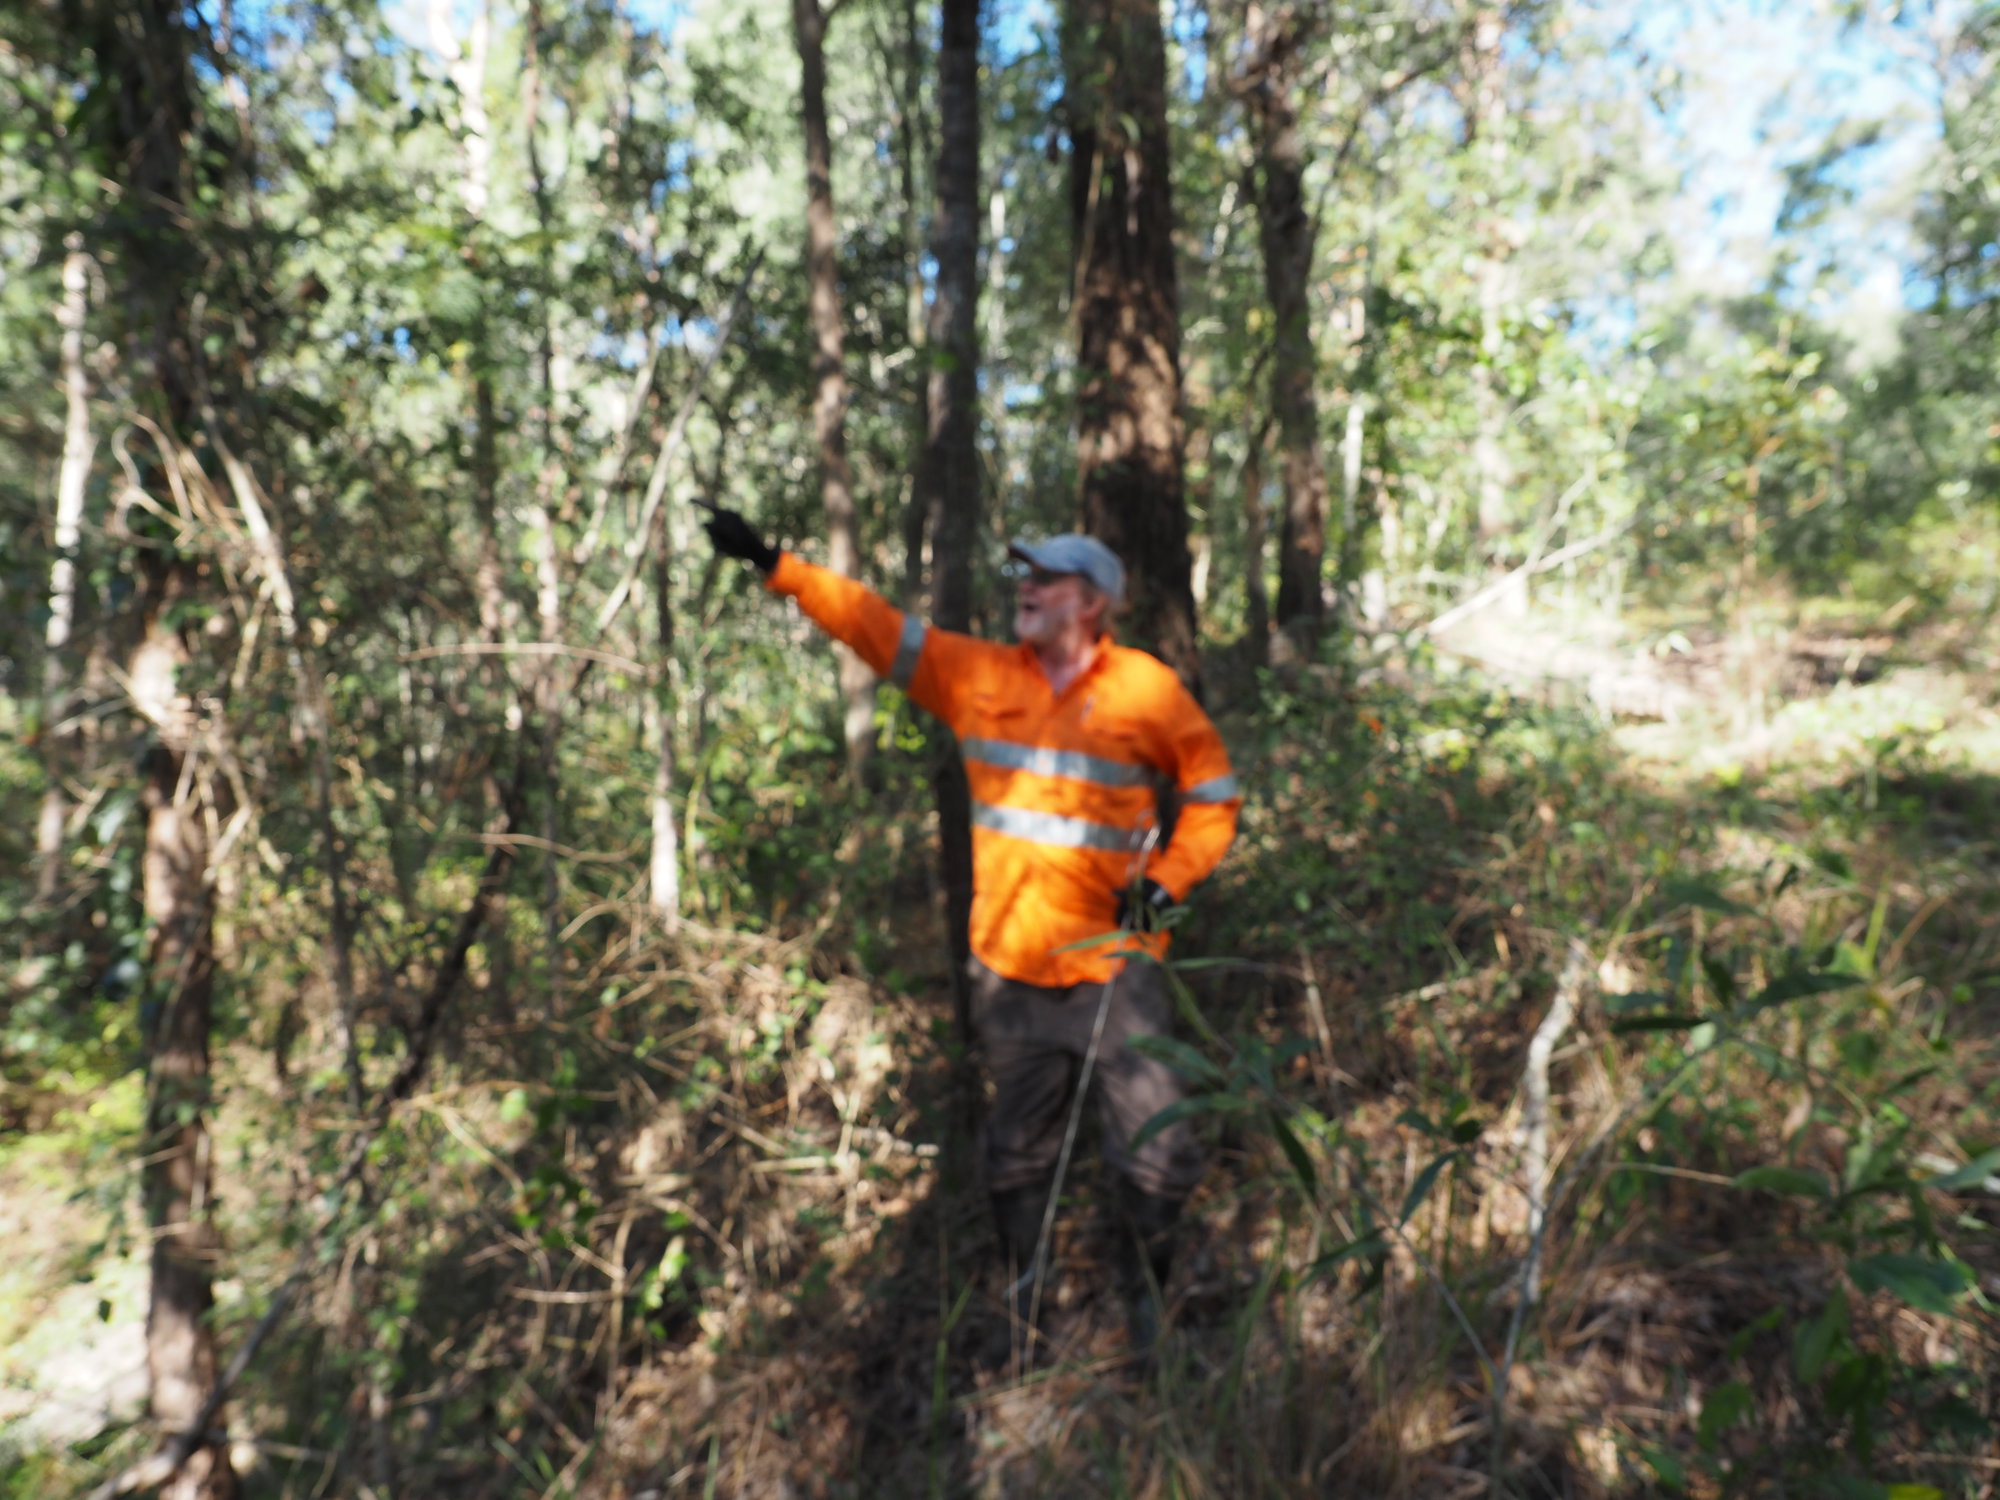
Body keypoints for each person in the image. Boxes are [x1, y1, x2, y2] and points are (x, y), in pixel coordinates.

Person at [703, 509, 1241, 1361]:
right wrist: (778, 565)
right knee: (1016, 1154)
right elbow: (874, 627)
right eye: (1023, 574)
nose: (1024, 588)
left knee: (1160, 1149)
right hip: (1011, 971)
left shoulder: (1148, 690)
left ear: (1093, 603)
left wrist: (1165, 890)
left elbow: (1215, 800)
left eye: (1046, 578)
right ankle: (1027, 1295)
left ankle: (1147, 1299)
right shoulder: (975, 674)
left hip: (1118, 969)